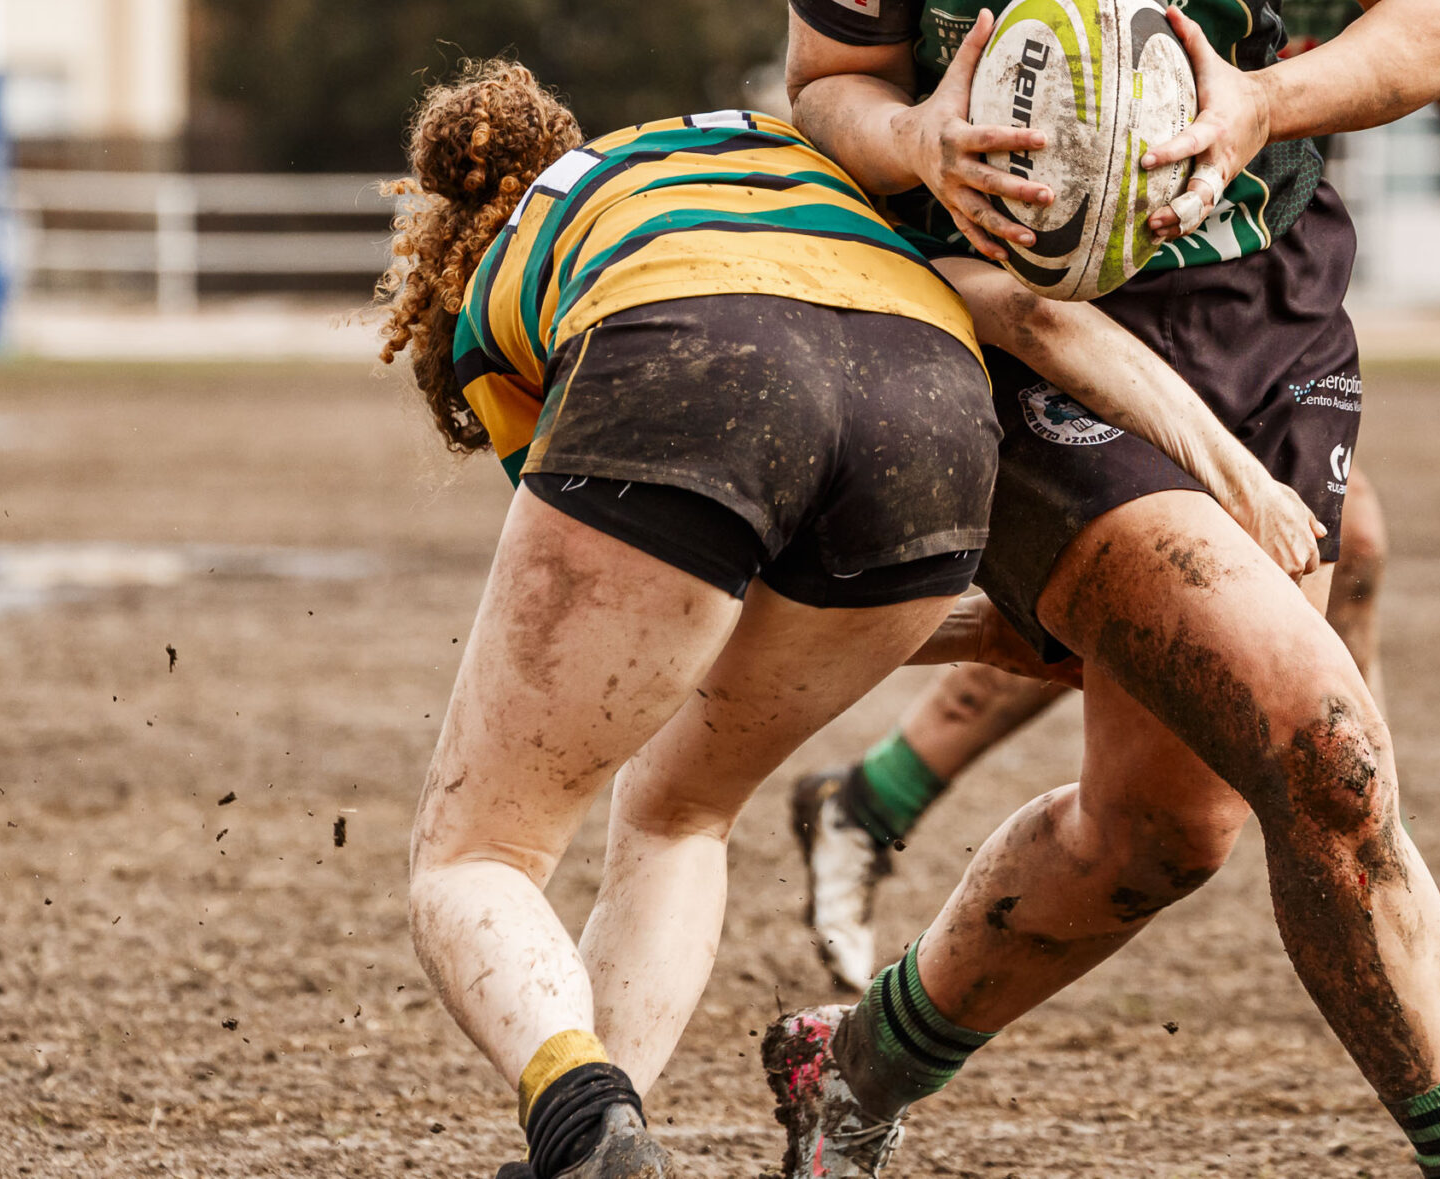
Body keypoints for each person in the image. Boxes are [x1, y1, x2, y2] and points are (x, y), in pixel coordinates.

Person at [760, 0, 1440, 1179]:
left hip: (1273, 317)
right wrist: (920, 145)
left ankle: (853, 1062)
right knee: (1325, 752)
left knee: (1163, 829)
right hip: (1033, 353)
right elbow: (826, 88)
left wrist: (1262, 97)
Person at [382, 61, 1334, 1179]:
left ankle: (580, 1112)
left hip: (678, 347)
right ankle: (603, 1143)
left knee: (478, 850)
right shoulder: (751, 148)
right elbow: (1017, 313)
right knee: (677, 812)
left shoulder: (508, 273)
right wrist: (1223, 475)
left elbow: (654, 606)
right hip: (931, 404)